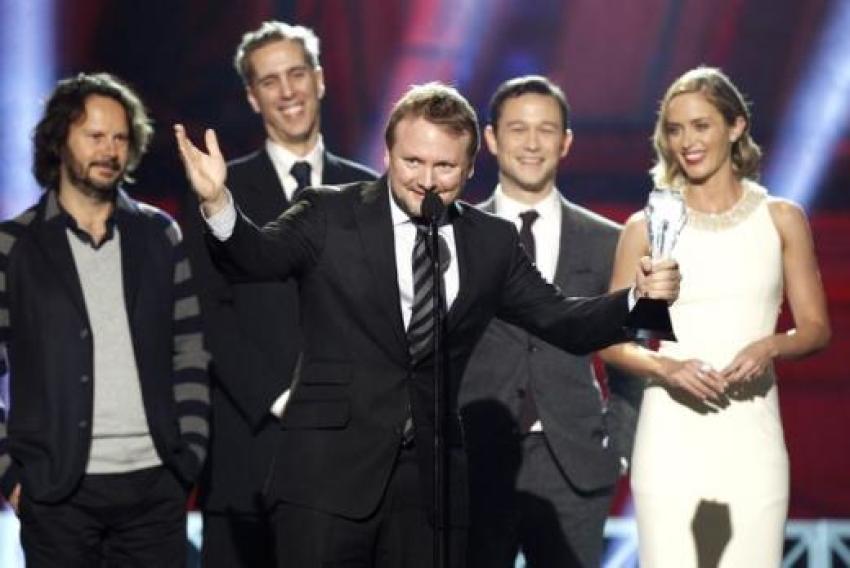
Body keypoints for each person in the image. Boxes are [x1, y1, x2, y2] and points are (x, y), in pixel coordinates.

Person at [174, 82, 680, 568]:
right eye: (412, 161)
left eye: (444, 166)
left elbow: (563, 320)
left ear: (470, 167)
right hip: (327, 475)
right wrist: (218, 203)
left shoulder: (490, 241)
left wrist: (638, 298)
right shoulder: (329, 211)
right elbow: (254, 258)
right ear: (388, 153)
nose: (426, 180)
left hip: (429, 488)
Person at [600, 66, 831, 567]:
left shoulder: (781, 218)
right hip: (670, 430)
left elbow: (816, 329)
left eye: (701, 125)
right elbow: (610, 340)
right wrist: (668, 367)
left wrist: (771, 345)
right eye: (675, 129)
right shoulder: (647, 226)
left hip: (752, 428)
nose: (687, 141)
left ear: (736, 126)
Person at [181, 21, 377, 568]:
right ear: (252, 96)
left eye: (296, 74)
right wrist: (280, 396)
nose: (287, 91)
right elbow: (206, 314)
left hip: (348, 452)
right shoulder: (217, 189)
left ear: (320, 79)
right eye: (270, 81)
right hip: (249, 448)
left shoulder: (368, 190)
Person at [0, 72, 210, 567]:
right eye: (95, 136)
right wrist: (10, 475)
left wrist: (189, 456)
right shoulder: (14, 246)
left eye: (120, 138)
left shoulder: (160, 235)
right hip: (56, 494)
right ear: (59, 140)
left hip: (155, 488)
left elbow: (190, 350)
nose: (110, 150)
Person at [459, 75, 642, 567]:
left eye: (546, 129)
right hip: (476, 458)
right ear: (491, 138)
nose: (532, 143)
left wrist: (618, 446)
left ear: (566, 142)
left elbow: (634, 357)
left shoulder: (609, 240)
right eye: (518, 129)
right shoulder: (455, 234)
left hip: (575, 463)